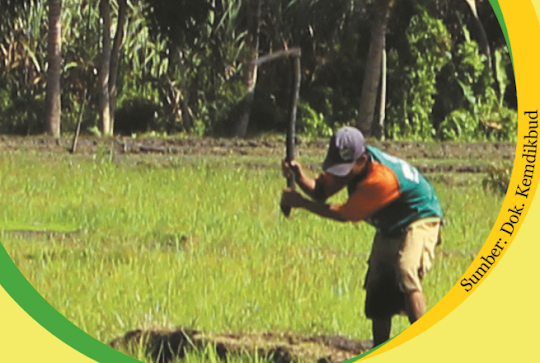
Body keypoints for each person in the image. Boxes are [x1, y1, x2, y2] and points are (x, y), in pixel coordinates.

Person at [280, 126, 443, 347]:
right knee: (378, 286)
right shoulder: (352, 166)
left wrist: (301, 203)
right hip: (390, 224)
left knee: (406, 270)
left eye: (345, 169)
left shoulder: (381, 180)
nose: (341, 174)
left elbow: (345, 214)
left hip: (419, 217)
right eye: (338, 168)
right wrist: (299, 177)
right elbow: (320, 191)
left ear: (362, 159)